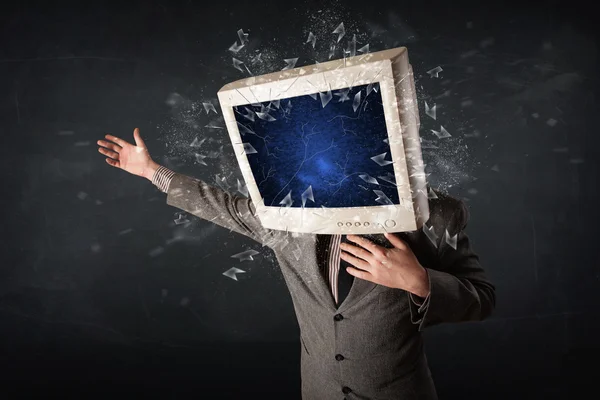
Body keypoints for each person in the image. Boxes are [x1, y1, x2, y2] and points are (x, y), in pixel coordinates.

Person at [97, 127, 496, 400]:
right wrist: (150, 171)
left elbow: (482, 299)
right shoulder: (288, 216)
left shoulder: (435, 214)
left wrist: (421, 281)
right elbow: (223, 206)